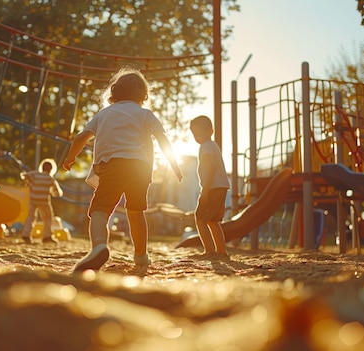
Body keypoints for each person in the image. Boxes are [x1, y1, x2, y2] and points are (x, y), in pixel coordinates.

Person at [62, 66, 183, 273]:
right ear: (143, 95)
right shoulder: (145, 114)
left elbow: (82, 137)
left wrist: (70, 158)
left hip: (114, 166)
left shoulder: (105, 113)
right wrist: (174, 164)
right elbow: (163, 139)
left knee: (100, 210)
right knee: (136, 212)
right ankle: (141, 257)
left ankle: (99, 246)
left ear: (113, 93)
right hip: (140, 169)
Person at [189, 115, 230, 256]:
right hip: (218, 186)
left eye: (199, 133)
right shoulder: (212, 146)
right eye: (194, 134)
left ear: (210, 131)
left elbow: (211, 167)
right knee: (211, 220)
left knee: (202, 218)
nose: (197, 136)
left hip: (213, 187)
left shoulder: (206, 146)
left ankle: (212, 251)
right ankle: (219, 251)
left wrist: (205, 190)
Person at [20, 158, 63, 244]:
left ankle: (26, 235)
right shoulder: (50, 178)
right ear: (51, 169)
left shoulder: (35, 175)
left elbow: (25, 175)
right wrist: (54, 193)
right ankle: (47, 236)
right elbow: (57, 192)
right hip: (44, 201)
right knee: (48, 218)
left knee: (31, 217)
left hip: (33, 199)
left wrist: (28, 183)